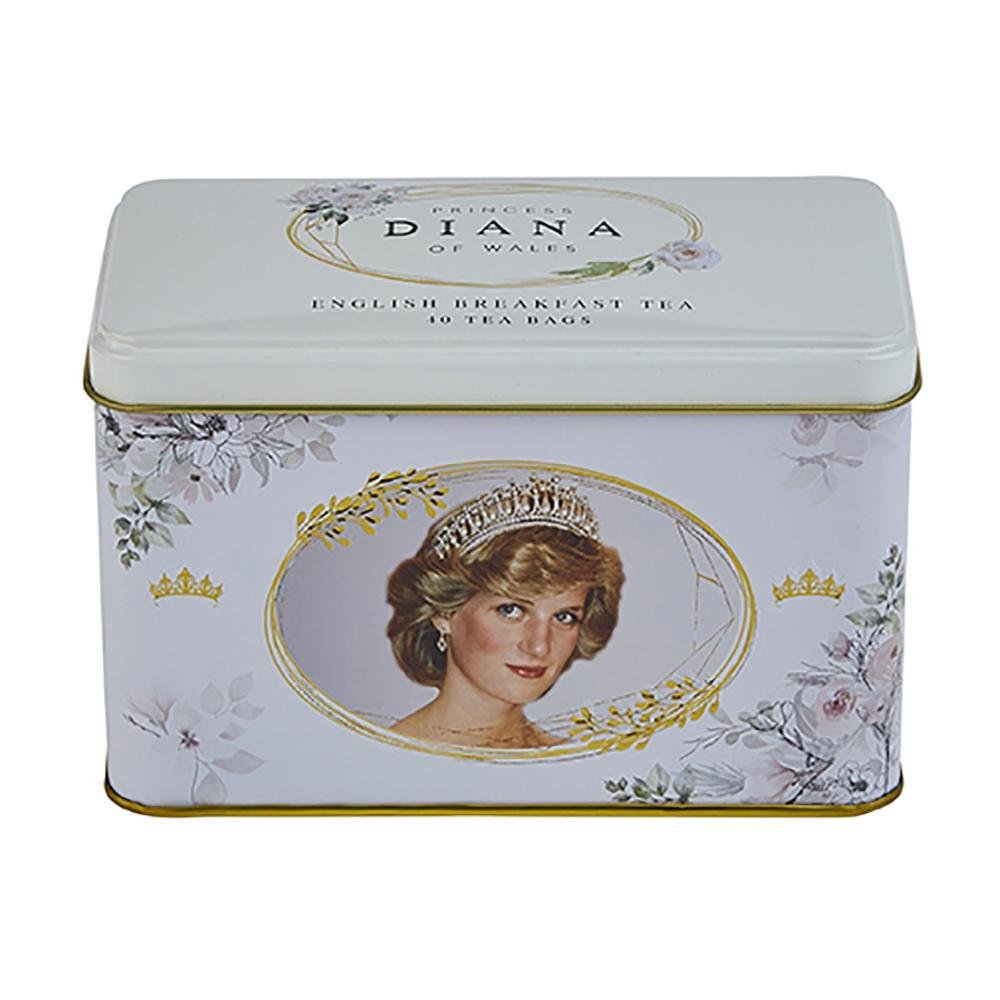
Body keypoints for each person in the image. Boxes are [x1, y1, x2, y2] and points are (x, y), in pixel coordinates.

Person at [386, 476, 624, 748]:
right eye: (511, 610)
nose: (539, 647)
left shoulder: (572, 758)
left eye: (564, 617)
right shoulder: (388, 756)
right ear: (443, 613)